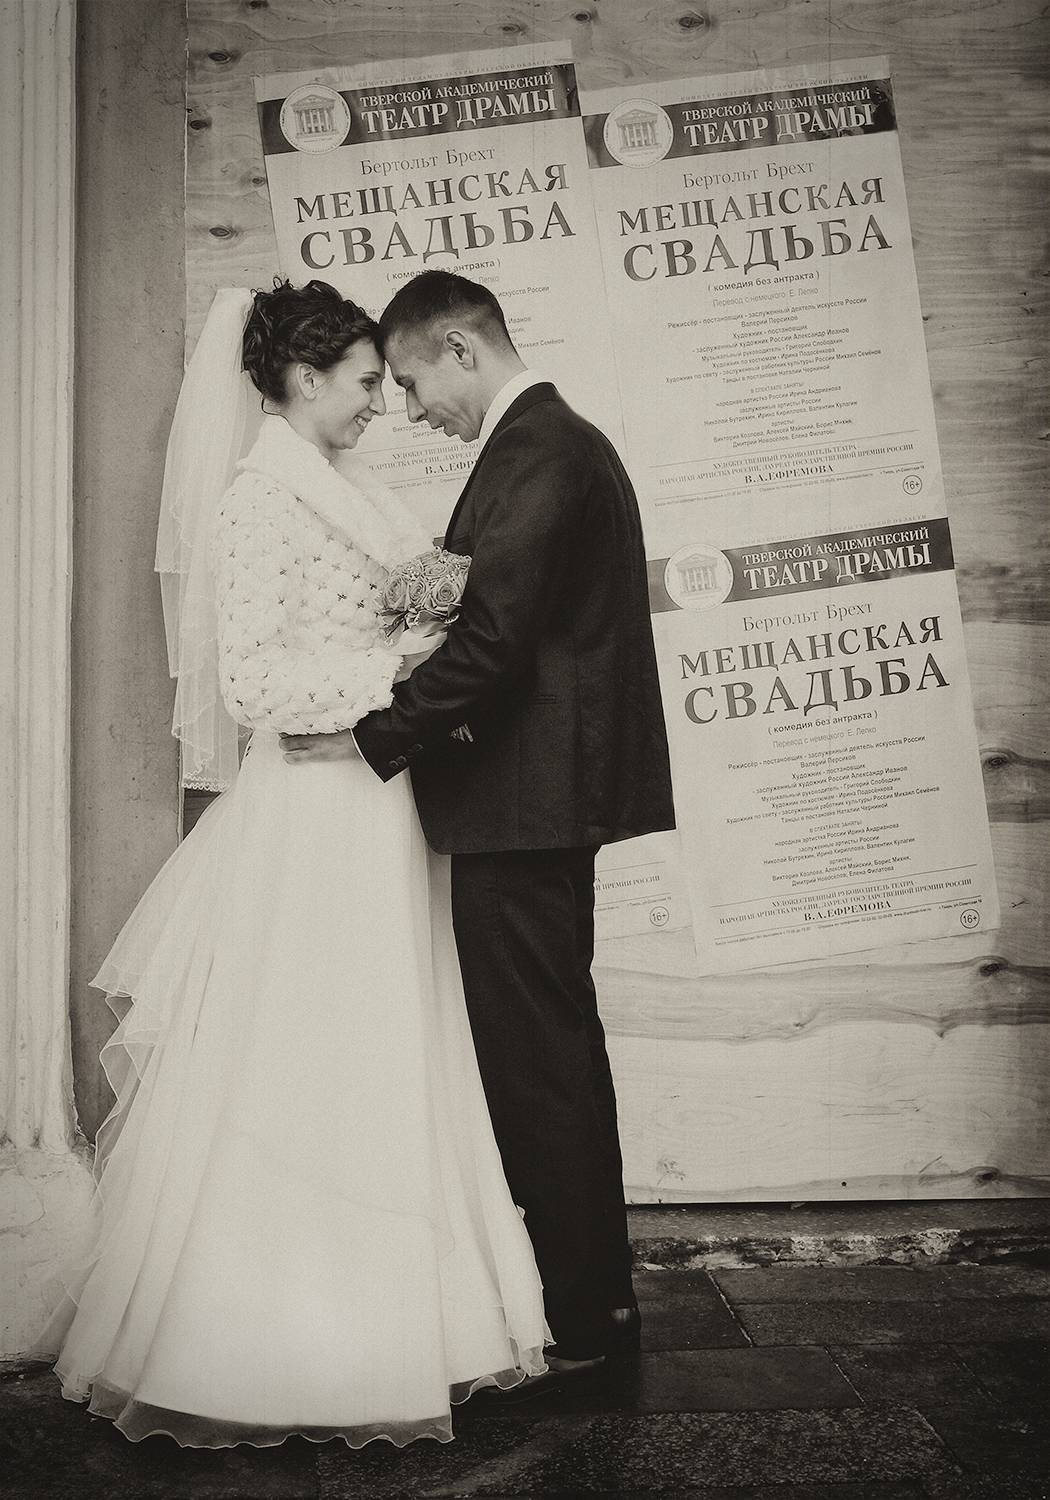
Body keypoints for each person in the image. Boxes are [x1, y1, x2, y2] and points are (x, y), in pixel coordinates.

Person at [38, 280, 549, 1448]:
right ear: (304, 378)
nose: (381, 402)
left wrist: (427, 634)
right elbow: (254, 684)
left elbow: (411, 605)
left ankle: (399, 1326)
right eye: (367, 381)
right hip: (314, 815)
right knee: (309, 1056)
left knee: (386, 1047)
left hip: (377, 802)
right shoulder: (257, 501)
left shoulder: (351, 483)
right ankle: (269, 1345)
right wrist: (399, 677)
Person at [281, 270, 676, 1386]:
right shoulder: (549, 445)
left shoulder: (541, 450)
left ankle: (587, 1315)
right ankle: (589, 1300)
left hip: (524, 809)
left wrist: (369, 735)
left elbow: (494, 644)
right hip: (532, 805)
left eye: (412, 383)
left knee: (538, 1060)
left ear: (461, 348)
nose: (411, 410)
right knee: (550, 1049)